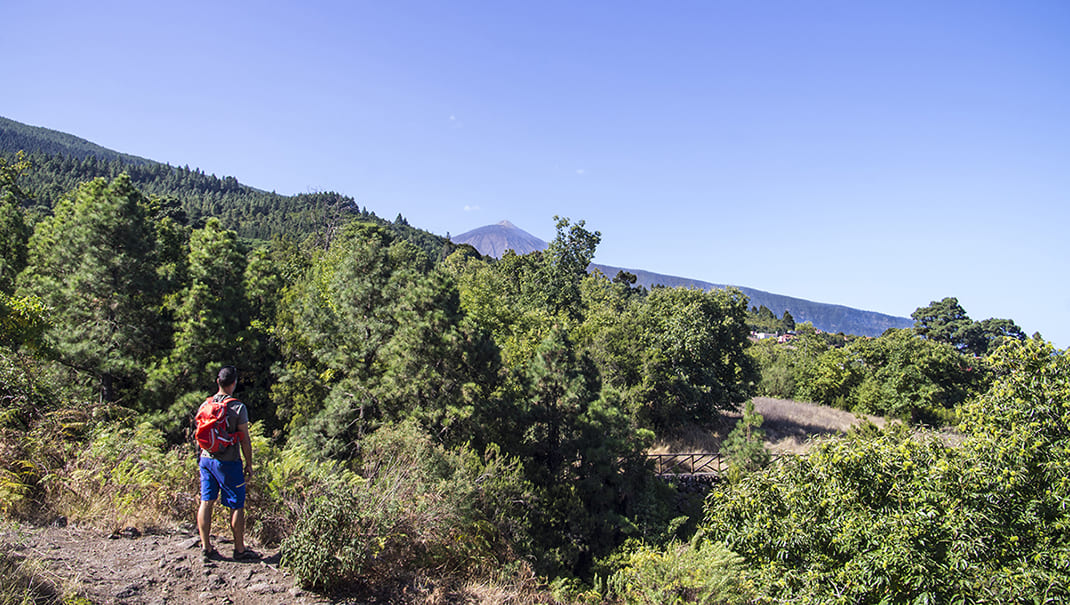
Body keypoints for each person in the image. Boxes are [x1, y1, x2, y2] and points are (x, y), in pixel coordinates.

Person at [196, 365, 258, 562]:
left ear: (218, 382)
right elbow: (244, 439)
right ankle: (239, 549)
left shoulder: (205, 404)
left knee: (206, 501)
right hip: (229, 463)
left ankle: (206, 547)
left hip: (206, 459)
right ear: (234, 383)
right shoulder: (238, 407)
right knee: (237, 505)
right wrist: (249, 463)